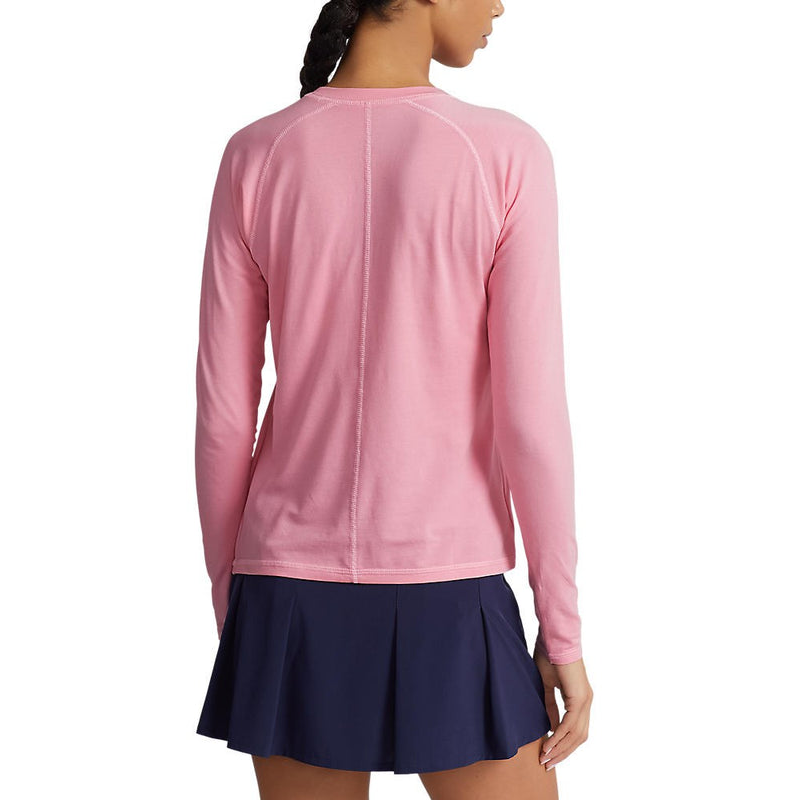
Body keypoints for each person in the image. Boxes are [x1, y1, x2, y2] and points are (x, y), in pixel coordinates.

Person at [194, 0, 593, 797]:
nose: (499, 5)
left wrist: (234, 602)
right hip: (450, 585)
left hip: (284, 590)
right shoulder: (503, 153)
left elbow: (223, 418)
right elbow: (532, 420)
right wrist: (562, 630)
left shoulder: (256, 154)